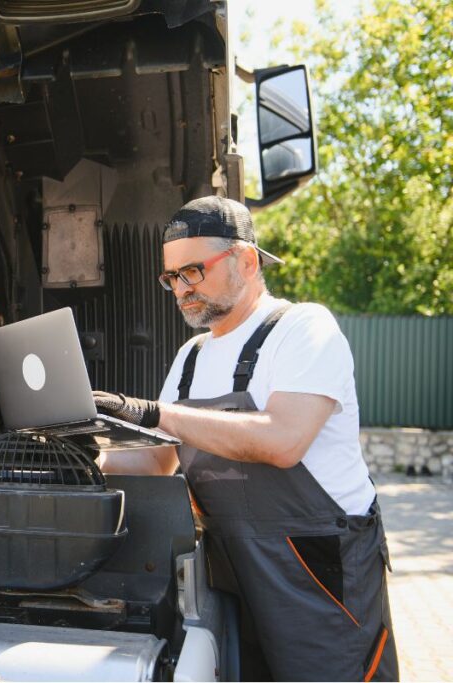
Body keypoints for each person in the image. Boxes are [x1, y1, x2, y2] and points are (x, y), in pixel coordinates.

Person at [94, 196, 398, 681]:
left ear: (247, 260)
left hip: (316, 571)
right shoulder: (190, 357)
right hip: (233, 572)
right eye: (171, 277)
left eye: (192, 271)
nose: (180, 290)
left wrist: (154, 413)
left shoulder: (303, 329)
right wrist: (82, 453)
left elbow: (283, 439)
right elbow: (154, 464)